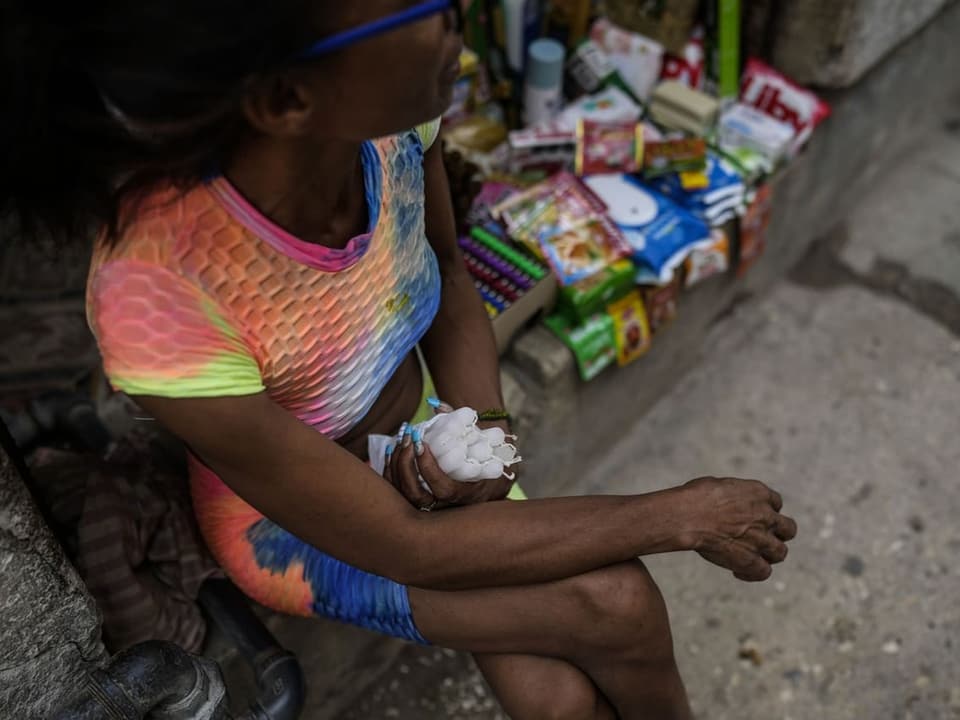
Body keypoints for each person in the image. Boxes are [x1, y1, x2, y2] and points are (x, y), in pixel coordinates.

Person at [2, 2, 798, 718]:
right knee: (617, 604)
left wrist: (482, 436)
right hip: (303, 531)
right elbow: (401, 544)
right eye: (426, 10)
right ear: (287, 100)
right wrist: (682, 514)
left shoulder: (391, 129)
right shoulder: (158, 291)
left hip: (426, 439)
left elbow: (450, 278)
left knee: (553, 694)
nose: (455, 20)